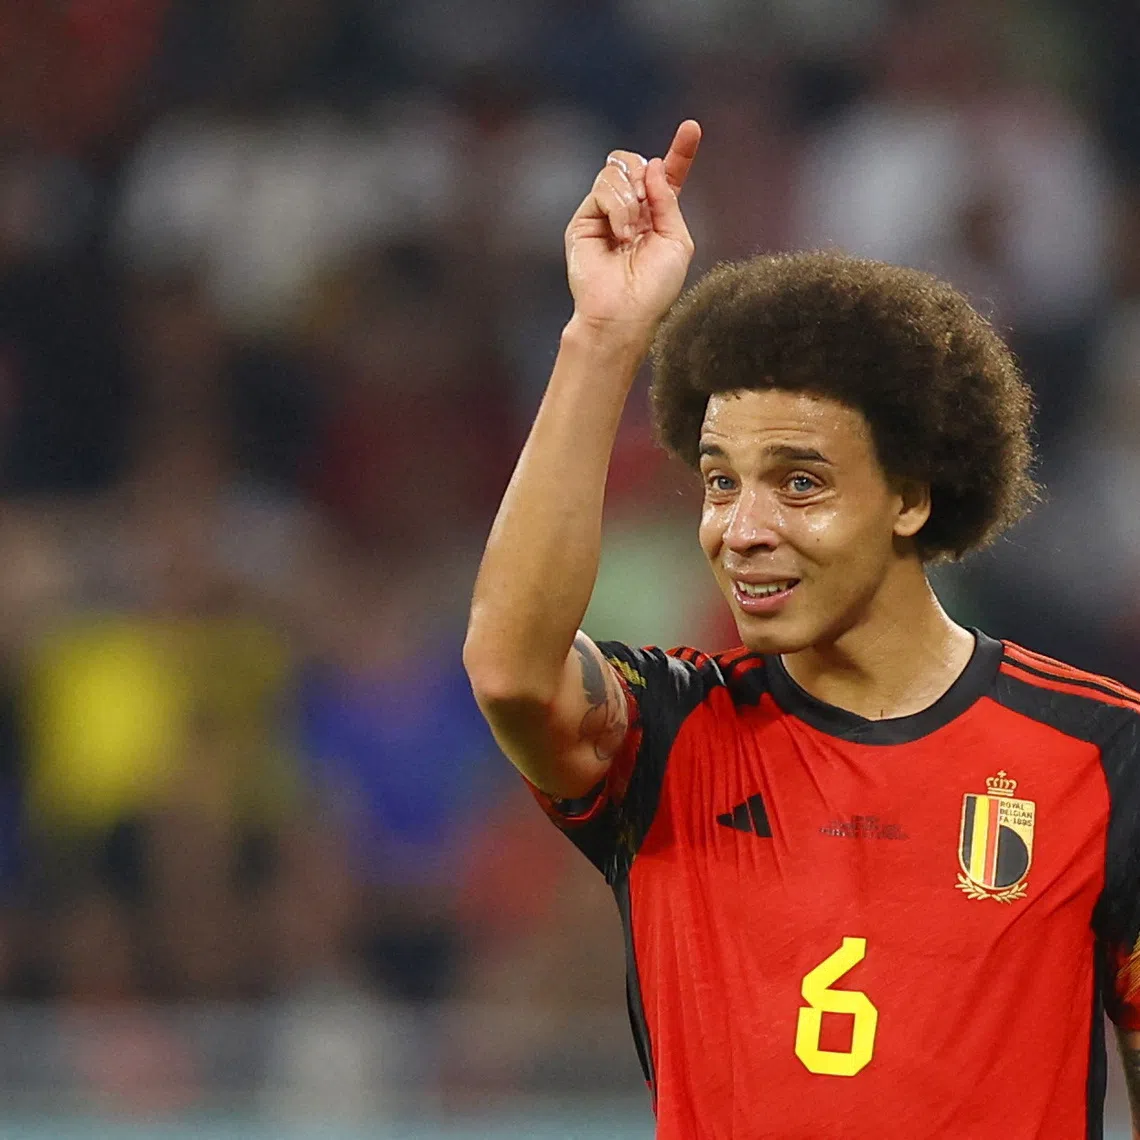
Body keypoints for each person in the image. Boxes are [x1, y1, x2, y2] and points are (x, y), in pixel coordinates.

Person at [462, 120, 1140, 1139]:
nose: (743, 531)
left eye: (801, 484)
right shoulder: (668, 737)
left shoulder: (1104, 756)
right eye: (721, 483)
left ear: (910, 497)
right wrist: (601, 336)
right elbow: (513, 673)